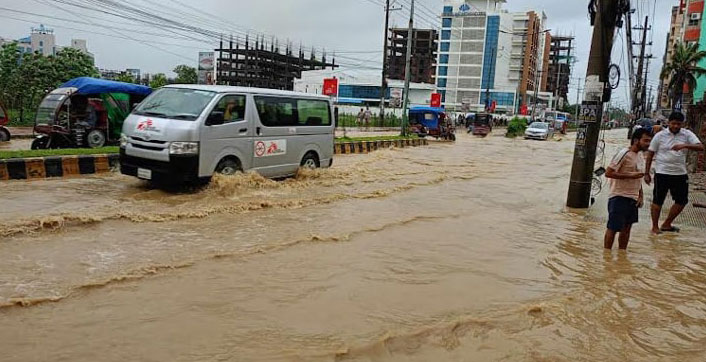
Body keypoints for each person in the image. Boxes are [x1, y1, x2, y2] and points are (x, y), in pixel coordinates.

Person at [644, 111, 705, 234]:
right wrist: (646, 173)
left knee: (682, 201)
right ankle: (654, 227)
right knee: (657, 200)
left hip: (680, 173)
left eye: (678, 124)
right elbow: (650, 154)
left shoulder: (687, 134)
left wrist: (684, 145)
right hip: (662, 172)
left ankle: (667, 224)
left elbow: (700, 147)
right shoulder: (660, 136)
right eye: (673, 123)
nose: (676, 126)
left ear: (682, 124)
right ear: (669, 123)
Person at [604, 128, 653, 250]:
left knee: (626, 229)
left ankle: (622, 254)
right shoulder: (623, 153)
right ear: (636, 140)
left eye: (649, 141)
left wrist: (640, 195)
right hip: (618, 196)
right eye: (645, 140)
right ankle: (607, 256)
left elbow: (638, 177)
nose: (648, 144)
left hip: (633, 198)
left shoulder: (640, 156)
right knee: (613, 228)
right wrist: (629, 175)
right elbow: (608, 173)